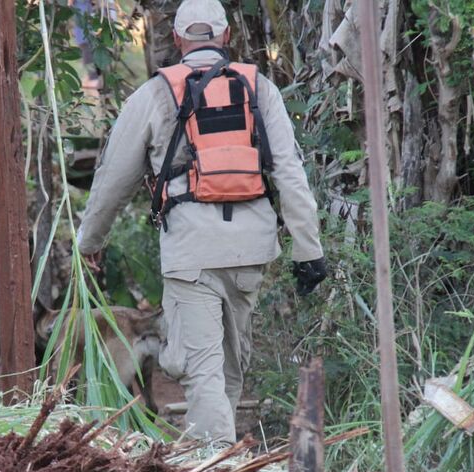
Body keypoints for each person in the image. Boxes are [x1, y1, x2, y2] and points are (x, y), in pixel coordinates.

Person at [76, 0, 327, 446]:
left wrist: (89, 241)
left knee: (202, 366)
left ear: (176, 39)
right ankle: (218, 459)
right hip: (251, 248)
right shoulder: (259, 88)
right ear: (226, 36)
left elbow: (112, 179)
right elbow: (290, 172)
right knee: (228, 365)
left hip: (191, 248)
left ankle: (212, 467)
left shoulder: (155, 93)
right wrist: (309, 250)